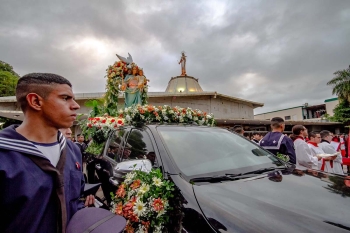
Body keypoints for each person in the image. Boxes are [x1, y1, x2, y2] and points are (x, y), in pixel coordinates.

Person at [0, 73, 94, 233]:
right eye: (65, 98)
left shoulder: (72, 150)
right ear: (35, 101)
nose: (76, 105)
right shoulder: (4, 155)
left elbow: (74, 199)